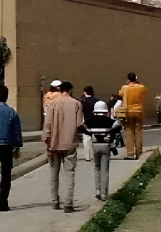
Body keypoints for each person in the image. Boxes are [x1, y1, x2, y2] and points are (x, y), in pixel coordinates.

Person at [42, 81, 84, 213]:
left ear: (60, 90)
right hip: (70, 142)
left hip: (54, 143)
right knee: (69, 173)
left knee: (54, 174)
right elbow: (79, 124)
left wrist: (47, 138)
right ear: (70, 90)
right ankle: (68, 203)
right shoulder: (76, 103)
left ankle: (55, 201)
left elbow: (47, 124)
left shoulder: (53, 104)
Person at [82, 100, 120, 201]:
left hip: (95, 146)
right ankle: (104, 193)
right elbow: (118, 127)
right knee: (105, 169)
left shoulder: (90, 121)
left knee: (97, 168)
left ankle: (98, 190)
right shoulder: (110, 121)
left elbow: (85, 130)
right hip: (106, 146)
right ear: (105, 111)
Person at [119, 73, 148, 160]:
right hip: (139, 111)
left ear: (128, 79)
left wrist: (129, 84)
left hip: (128, 111)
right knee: (138, 132)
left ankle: (130, 153)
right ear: (136, 79)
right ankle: (139, 152)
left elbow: (120, 94)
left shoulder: (125, 88)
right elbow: (145, 91)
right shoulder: (142, 88)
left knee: (129, 132)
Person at [80, 86, 99, 162]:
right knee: (95, 139)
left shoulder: (83, 101)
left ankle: (87, 156)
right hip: (95, 121)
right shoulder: (97, 101)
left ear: (85, 92)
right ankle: (94, 155)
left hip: (86, 122)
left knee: (86, 140)